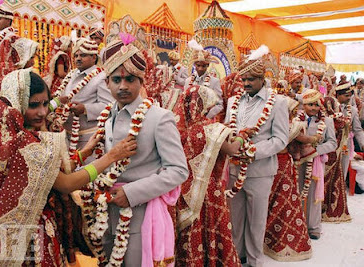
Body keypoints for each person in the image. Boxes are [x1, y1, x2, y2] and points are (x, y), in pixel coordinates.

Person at [0, 68, 136, 265]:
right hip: (27, 233)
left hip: (2, 227)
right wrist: (111, 157)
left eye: (46, 103)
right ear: (15, 104)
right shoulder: (24, 142)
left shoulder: (9, 133)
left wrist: (84, 153)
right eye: (34, 105)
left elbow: (46, 173)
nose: (43, 112)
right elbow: (64, 183)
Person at [78, 34, 188, 266]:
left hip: (140, 214)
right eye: (116, 80)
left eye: (130, 79)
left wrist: (132, 193)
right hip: (105, 211)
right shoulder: (107, 117)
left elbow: (178, 170)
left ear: (141, 81)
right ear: (107, 83)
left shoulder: (159, 118)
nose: (123, 86)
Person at [224, 45, 289, 267]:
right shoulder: (234, 102)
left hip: (260, 172)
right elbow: (228, 130)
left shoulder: (277, 102)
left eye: (251, 79)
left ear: (262, 78)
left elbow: (281, 139)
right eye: (243, 79)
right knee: (235, 218)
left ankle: (254, 261)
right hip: (233, 169)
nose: (246, 84)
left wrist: (253, 152)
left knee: (256, 221)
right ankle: (237, 257)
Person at [174, 84, 241, 266]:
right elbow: (233, 150)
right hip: (209, 190)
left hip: (183, 189)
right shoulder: (211, 130)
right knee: (211, 228)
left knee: (189, 231)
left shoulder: (176, 128)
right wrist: (241, 136)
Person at [264, 97, 312, 261]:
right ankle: (274, 237)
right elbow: (304, 139)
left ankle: (268, 237)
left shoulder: (272, 124)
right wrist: (317, 138)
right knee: (282, 201)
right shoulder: (291, 126)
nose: (294, 114)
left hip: (277, 164)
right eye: (292, 111)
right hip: (281, 164)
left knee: (276, 201)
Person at [51, 38, 113, 160]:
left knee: (86, 175)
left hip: (88, 139)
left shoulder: (101, 77)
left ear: (94, 57)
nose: (78, 58)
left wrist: (85, 109)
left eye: (83, 55)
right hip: (68, 135)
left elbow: (109, 106)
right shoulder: (71, 74)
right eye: (76, 55)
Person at [295, 89, 337, 240]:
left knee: (313, 194)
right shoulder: (296, 118)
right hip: (297, 161)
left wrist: (316, 150)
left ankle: (314, 228)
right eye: (310, 104)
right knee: (297, 192)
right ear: (303, 104)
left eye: (316, 105)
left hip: (315, 162)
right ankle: (297, 225)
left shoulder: (327, 121)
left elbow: (333, 143)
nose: (313, 108)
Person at [322, 96, 352, 222]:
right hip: (323, 154)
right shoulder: (323, 117)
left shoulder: (346, 113)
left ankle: (326, 207)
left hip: (337, 152)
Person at [185, 40, 223, 119]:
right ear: (194, 65)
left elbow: (219, 105)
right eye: (198, 65)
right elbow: (183, 101)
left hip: (206, 120)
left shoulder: (214, 82)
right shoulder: (188, 81)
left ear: (208, 65)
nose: (200, 68)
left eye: (203, 66)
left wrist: (206, 117)